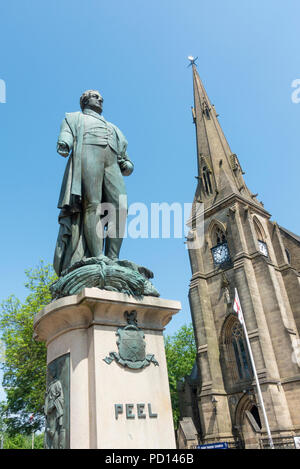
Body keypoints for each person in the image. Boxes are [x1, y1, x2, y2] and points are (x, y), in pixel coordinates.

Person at [54, 90, 134, 276]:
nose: (100, 99)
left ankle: (113, 257)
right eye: (95, 96)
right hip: (88, 154)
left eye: (101, 98)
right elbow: (66, 133)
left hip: (112, 163)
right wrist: (64, 142)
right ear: (84, 100)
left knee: (121, 208)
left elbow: (126, 160)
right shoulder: (74, 117)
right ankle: (98, 256)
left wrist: (128, 164)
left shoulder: (114, 128)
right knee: (93, 205)